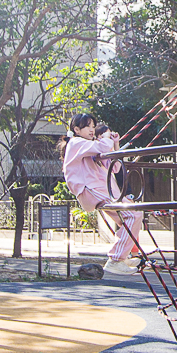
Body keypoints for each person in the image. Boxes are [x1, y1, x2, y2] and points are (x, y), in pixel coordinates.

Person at [60, 113, 143, 276]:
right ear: (76, 130)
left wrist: (115, 144)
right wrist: (106, 138)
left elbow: (115, 167)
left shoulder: (88, 146)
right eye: (87, 126)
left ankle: (121, 256)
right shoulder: (77, 143)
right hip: (93, 191)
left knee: (131, 217)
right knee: (133, 216)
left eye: (93, 126)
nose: (92, 130)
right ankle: (116, 259)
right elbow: (102, 147)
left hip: (102, 192)